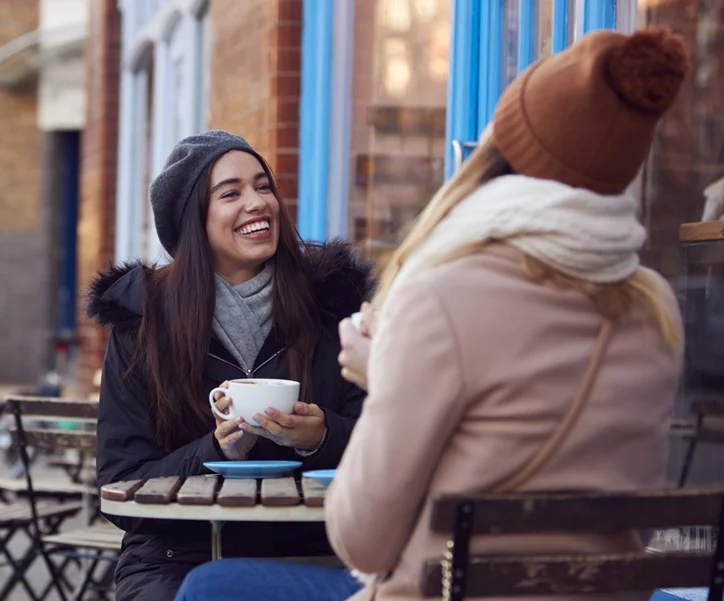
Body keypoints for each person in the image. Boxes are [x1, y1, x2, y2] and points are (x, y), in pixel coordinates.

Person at [174, 27, 689, 601]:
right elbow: (636, 523)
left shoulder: (445, 294)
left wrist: (391, 374)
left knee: (212, 586)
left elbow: (361, 542)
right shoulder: (654, 306)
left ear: (501, 154)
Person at [87, 130, 372, 601]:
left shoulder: (332, 306)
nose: (258, 203)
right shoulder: (143, 322)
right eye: (231, 193)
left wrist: (320, 438)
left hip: (314, 546)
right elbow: (120, 485)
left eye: (263, 187)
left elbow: (386, 444)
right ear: (193, 220)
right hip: (179, 555)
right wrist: (215, 452)